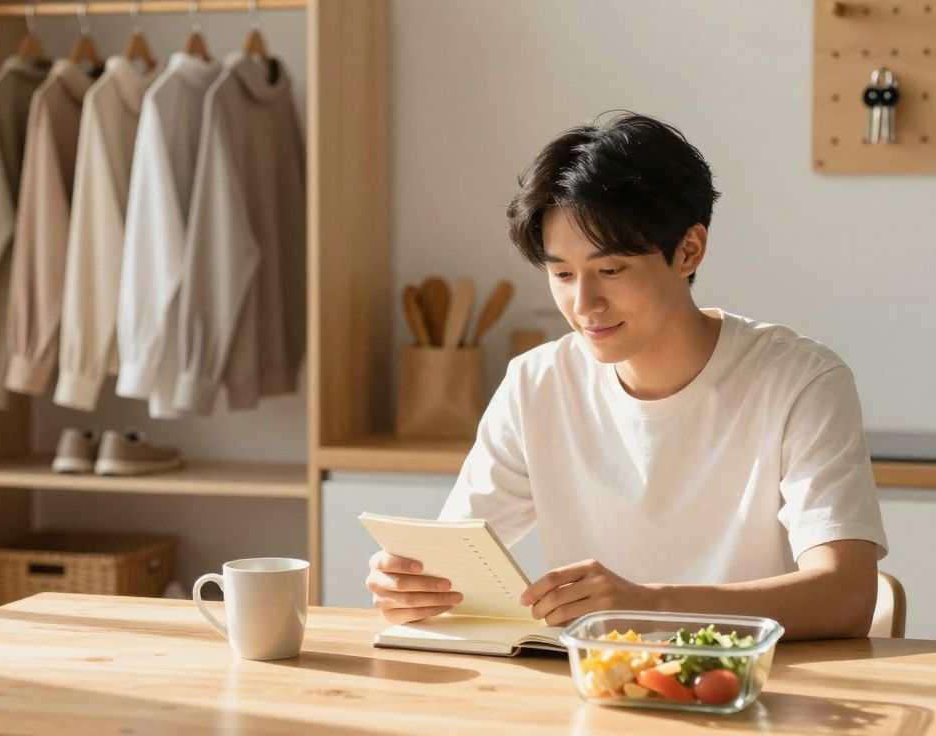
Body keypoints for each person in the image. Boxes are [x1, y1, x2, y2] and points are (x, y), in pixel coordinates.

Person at [365, 112, 889, 641]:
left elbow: (846, 596)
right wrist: (413, 585)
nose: (583, 304)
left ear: (689, 251)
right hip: (593, 683)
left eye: (610, 270)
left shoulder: (801, 380)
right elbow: (455, 562)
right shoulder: (536, 385)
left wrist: (652, 606)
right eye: (562, 274)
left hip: (753, 684)